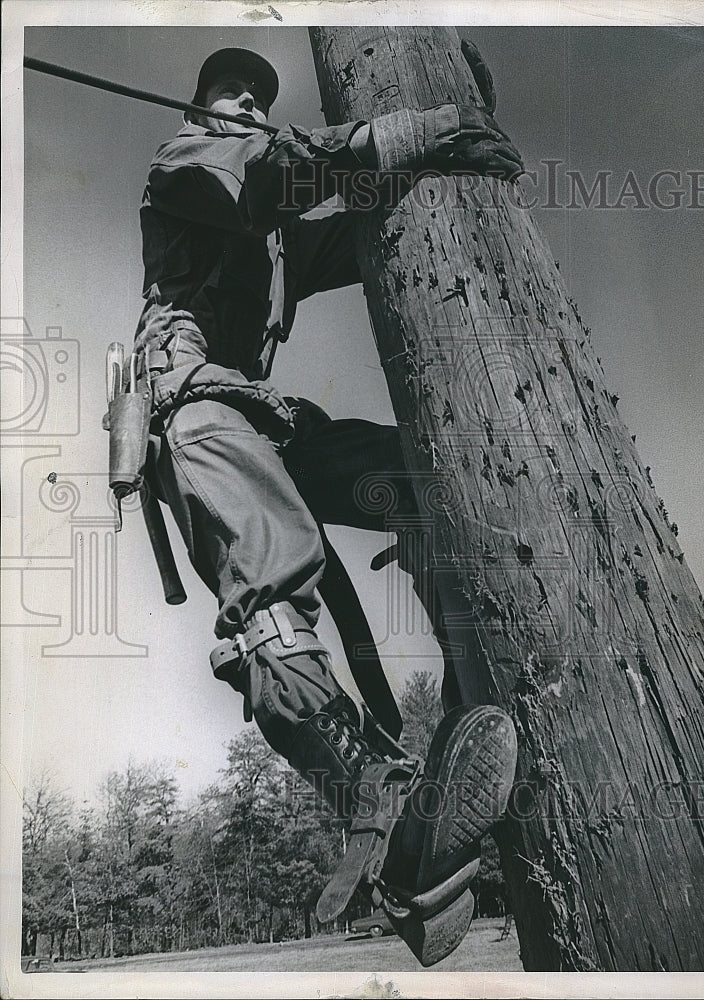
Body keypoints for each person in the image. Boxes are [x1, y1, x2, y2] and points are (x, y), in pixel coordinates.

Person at [134, 45, 521, 965]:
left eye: (259, 94)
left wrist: (451, 151)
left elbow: (354, 220)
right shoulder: (187, 161)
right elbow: (270, 177)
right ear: (201, 104)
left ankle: (477, 716)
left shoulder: (273, 231)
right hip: (198, 407)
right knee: (274, 581)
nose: (246, 100)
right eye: (230, 88)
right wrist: (395, 132)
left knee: (431, 477)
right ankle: (374, 796)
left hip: (267, 414)